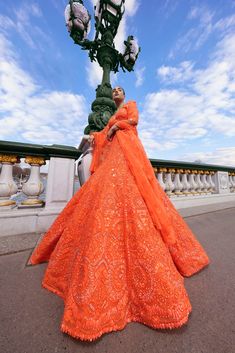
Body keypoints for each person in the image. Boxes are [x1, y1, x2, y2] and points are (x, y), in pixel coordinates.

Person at [28, 86, 209, 341]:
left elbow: (133, 121)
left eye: (119, 90)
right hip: (113, 157)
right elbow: (103, 136)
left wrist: (115, 128)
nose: (116, 92)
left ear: (124, 95)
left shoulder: (130, 105)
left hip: (127, 155)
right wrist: (99, 134)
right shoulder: (112, 116)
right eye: (113, 90)